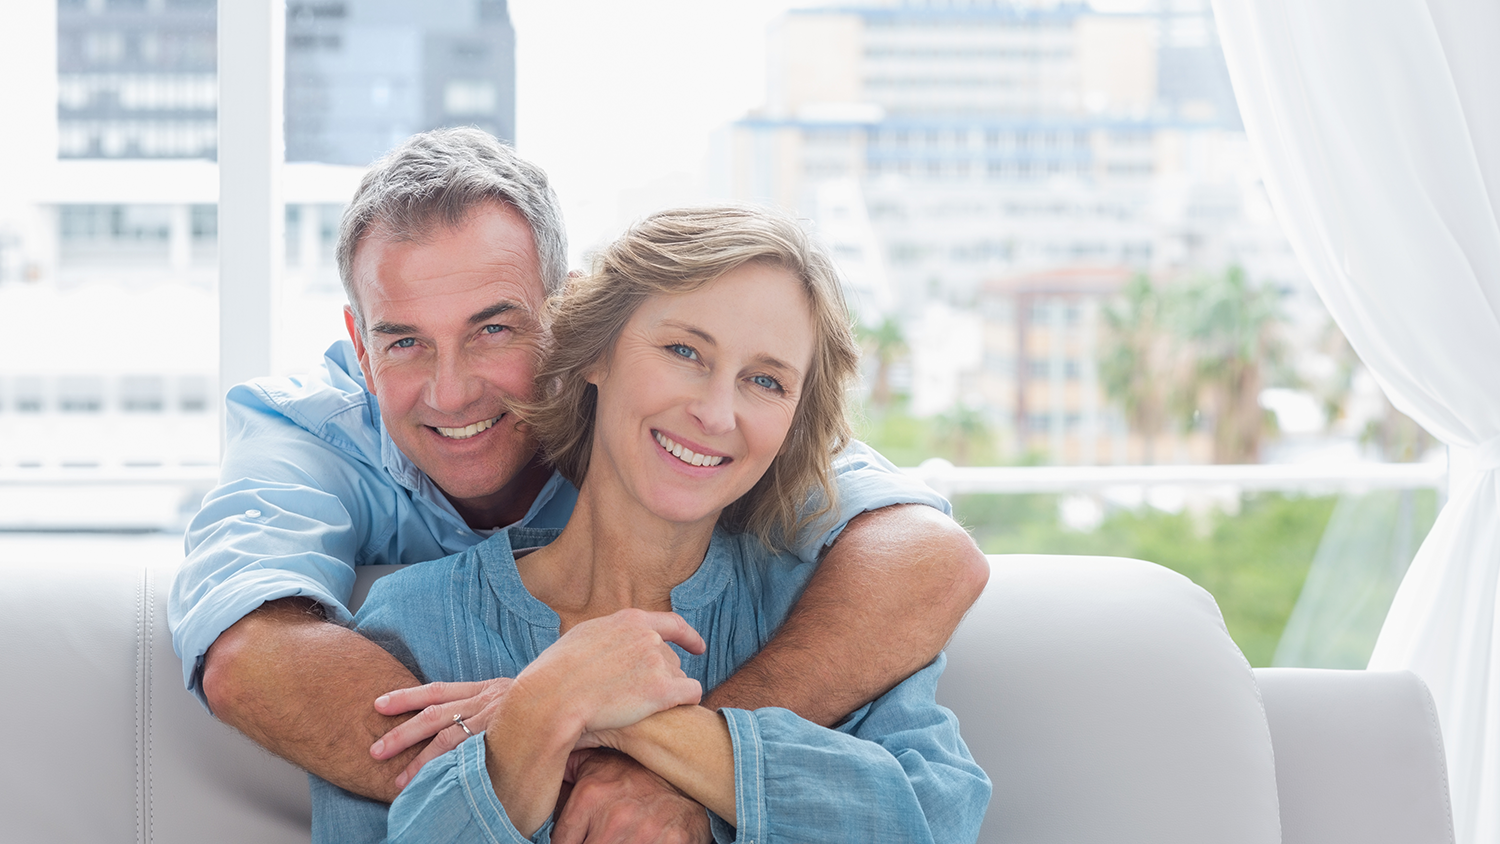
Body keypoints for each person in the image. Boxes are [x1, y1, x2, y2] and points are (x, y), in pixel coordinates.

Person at [169, 127, 988, 842]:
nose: (451, 392)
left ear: (565, 326)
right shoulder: (402, 601)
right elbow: (248, 653)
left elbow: (936, 797)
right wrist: (540, 714)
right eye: (683, 353)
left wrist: (666, 746)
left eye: (493, 328)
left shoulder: (814, 606)